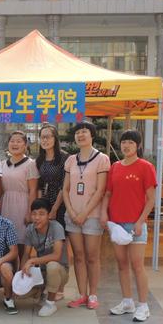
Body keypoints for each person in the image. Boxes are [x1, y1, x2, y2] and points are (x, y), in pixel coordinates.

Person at [101, 129, 156, 322]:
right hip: (116, 224)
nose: (126, 145)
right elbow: (108, 194)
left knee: (137, 265)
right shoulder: (115, 167)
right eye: (124, 142)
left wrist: (140, 221)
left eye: (131, 142)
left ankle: (143, 305)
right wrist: (103, 213)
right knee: (122, 264)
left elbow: (151, 199)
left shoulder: (146, 167)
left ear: (138, 146)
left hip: (136, 225)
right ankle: (127, 302)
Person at [61, 121, 110, 310]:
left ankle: (93, 294)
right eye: (78, 132)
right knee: (78, 257)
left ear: (92, 135)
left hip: (92, 216)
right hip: (73, 216)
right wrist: (72, 212)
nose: (80, 135)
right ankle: (82, 294)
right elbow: (65, 189)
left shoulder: (102, 159)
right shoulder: (71, 160)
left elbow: (100, 190)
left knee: (92, 257)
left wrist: (84, 213)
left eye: (84, 132)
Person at [21, 198, 69, 317]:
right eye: (34, 214)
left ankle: (50, 303)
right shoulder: (30, 229)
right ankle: (42, 293)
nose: (37, 218)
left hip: (60, 271)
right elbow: (26, 254)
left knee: (52, 266)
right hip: (41, 271)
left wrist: (33, 260)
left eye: (41, 214)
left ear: (48, 215)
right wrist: (22, 274)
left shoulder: (56, 227)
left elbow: (56, 256)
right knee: (19, 294)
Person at [0, 131, 39, 258]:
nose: (15, 144)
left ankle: (21, 269)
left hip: (23, 205)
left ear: (25, 145)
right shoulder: (2, 164)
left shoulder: (30, 164)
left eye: (18, 141)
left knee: (22, 242)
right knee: (6, 242)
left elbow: (33, 190)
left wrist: (30, 212)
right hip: (6, 205)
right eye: (12, 141)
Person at [36, 124, 69, 227]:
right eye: (42, 137)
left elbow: (64, 185)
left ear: (55, 138)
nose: (45, 140)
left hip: (60, 203)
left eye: (48, 137)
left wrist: (54, 209)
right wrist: (40, 206)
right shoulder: (39, 159)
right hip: (44, 202)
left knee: (59, 232)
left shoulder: (65, 158)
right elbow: (39, 184)